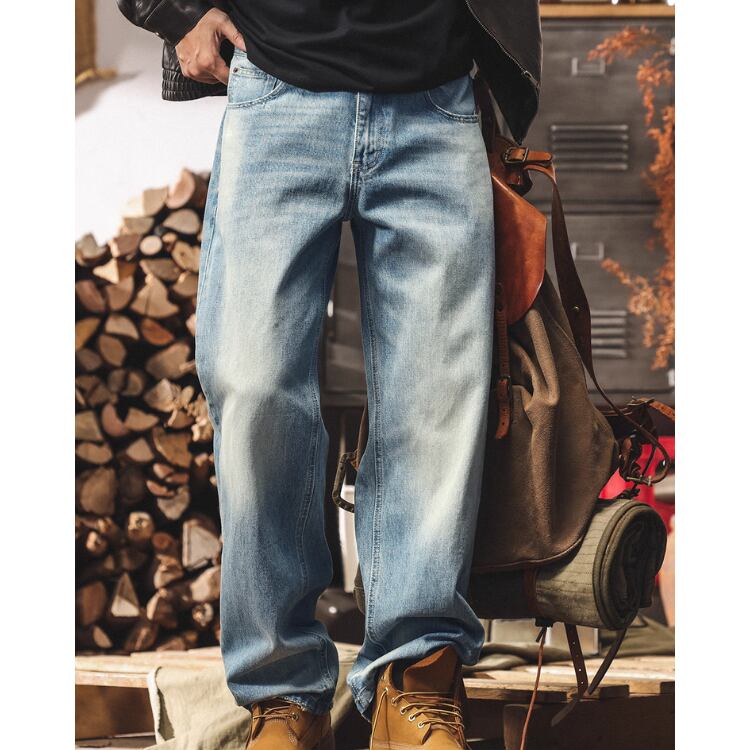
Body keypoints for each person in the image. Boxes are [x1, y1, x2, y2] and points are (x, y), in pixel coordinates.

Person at [117, 2, 542, 747]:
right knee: (253, 385)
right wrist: (173, 11)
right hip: (276, 87)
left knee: (436, 400)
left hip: (435, 94)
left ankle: (415, 681)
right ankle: (283, 696)